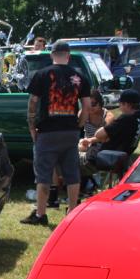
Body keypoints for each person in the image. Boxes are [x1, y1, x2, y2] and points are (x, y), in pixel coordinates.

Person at [21, 41, 91, 225]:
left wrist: (32, 127)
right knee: (72, 173)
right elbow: (87, 106)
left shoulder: (42, 74)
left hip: (47, 131)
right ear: (68, 55)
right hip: (70, 131)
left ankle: (40, 214)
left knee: (43, 174)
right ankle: (73, 211)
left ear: (52, 55)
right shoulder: (80, 76)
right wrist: (79, 125)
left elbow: (32, 103)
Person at [79, 88, 140, 163]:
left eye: (120, 103)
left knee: (70, 159)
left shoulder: (126, 118)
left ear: (126, 104)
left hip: (103, 159)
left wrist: (103, 136)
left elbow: (99, 134)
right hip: (117, 158)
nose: (119, 106)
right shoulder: (139, 118)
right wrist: (91, 140)